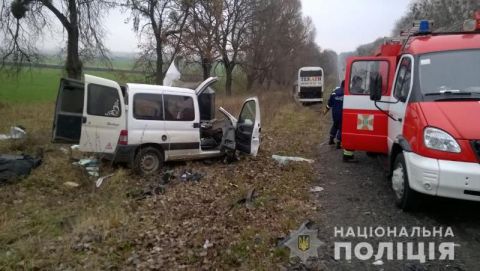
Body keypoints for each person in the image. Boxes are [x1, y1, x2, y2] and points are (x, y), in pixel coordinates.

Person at [324, 80, 344, 149]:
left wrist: (325, 112)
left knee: (335, 124)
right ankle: (339, 143)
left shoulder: (334, 92)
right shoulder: (346, 93)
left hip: (334, 113)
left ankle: (331, 140)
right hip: (342, 113)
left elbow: (329, 104)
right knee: (342, 127)